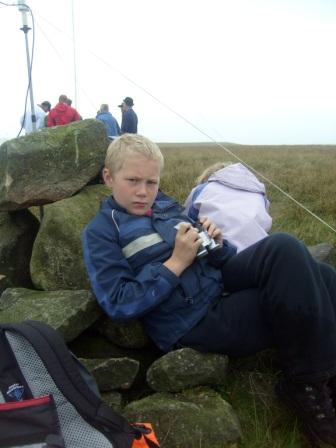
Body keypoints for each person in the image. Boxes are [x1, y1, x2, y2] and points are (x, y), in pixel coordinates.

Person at [82, 134, 336, 447]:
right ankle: (308, 385)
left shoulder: (164, 204)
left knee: (292, 253)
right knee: (301, 287)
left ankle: (320, 368)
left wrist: (215, 244)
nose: (143, 191)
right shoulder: (101, 233)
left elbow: (215, 257)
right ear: (109, 177)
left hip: (218, 283)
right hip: (192, 319)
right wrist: (175, 263)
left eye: (151, 181)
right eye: (132, 180)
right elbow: (119, 303)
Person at [184, 162, 272, 252]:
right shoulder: (260, 196)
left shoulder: (201, 190)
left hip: (223, 254)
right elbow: (265, 226)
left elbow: (184, 221)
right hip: (264, 253)